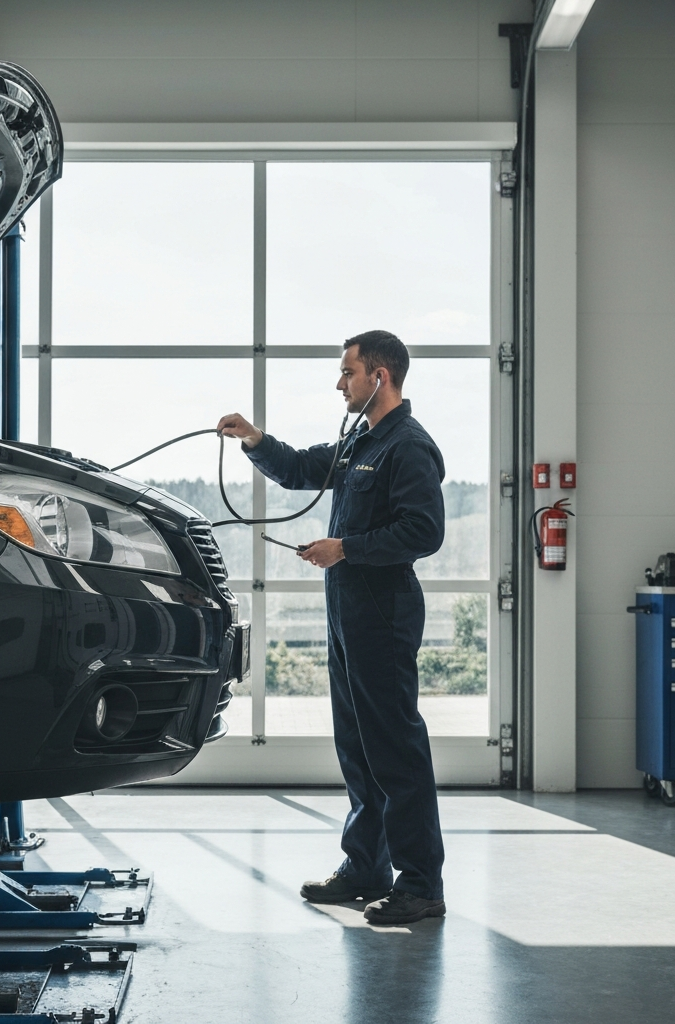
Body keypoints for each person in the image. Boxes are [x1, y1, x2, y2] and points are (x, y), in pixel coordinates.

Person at [217, 330, 447, 926]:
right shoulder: (359, 442)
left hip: (384, 612)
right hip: (348, 613)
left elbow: (424, 531)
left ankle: (421, 884)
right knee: (358, 748)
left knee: (394, 749)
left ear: (380, 376)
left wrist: (345, 548)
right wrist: (254, 439)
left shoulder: (408, 447)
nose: (339, 383)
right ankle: (366, 868)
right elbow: (301, 468)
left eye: (348, 372)